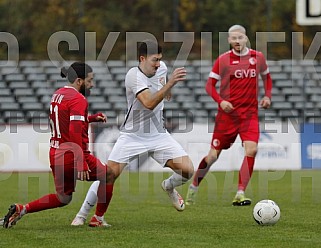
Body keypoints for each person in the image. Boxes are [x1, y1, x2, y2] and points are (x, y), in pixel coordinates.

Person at [70, 40, 194, 225]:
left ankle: (169, 186)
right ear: (142, 59)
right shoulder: (133, 76)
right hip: (132, 135)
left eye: (160, 59)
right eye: (154, 60)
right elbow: (149, 103)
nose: (158, 64)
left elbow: (162, 91)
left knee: (188, 170)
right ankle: (82, 215)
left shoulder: (162, 68)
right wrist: (170, 84)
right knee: (108, 174)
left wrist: (168, 89)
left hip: (158, 134)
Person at [3, 62, 115, 228]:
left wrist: (90, 118)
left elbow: (65, 121)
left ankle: (23, 209)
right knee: (108, 175)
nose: (92, 84)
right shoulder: (78, 99)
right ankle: (97, 219)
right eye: (89, 80)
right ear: (79, 81)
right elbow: (74, 132)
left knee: (64, 198)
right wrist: (81, 162)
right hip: (72, 155)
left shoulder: (58, 94)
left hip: (56, 153)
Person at [185, 25, 272, 206]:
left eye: (240, 37)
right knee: (212, 157)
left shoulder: (258, 57)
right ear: (229, 40)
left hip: (249, 115)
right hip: (227, 117)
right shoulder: (223, 60)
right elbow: (209, 85)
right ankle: (194, 185)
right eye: (234, 38)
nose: (237, 41)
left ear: (246, 38)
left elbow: (267, 77)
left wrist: (267, 96)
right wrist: (221, 101)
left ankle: (240, 192)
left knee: (252, 150)